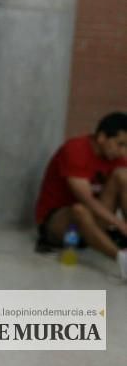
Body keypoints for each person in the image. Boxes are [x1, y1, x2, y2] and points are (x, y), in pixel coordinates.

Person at [34, 112, 127, 279]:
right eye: (120, 144)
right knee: (80, 210)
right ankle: (122, 260)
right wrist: (118, 223)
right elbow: (86, 200)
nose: (123, 152)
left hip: (94, 220)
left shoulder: (116, 157)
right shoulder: (76, 149)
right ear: (102, 137)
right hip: (59, 222)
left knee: (123, 176)